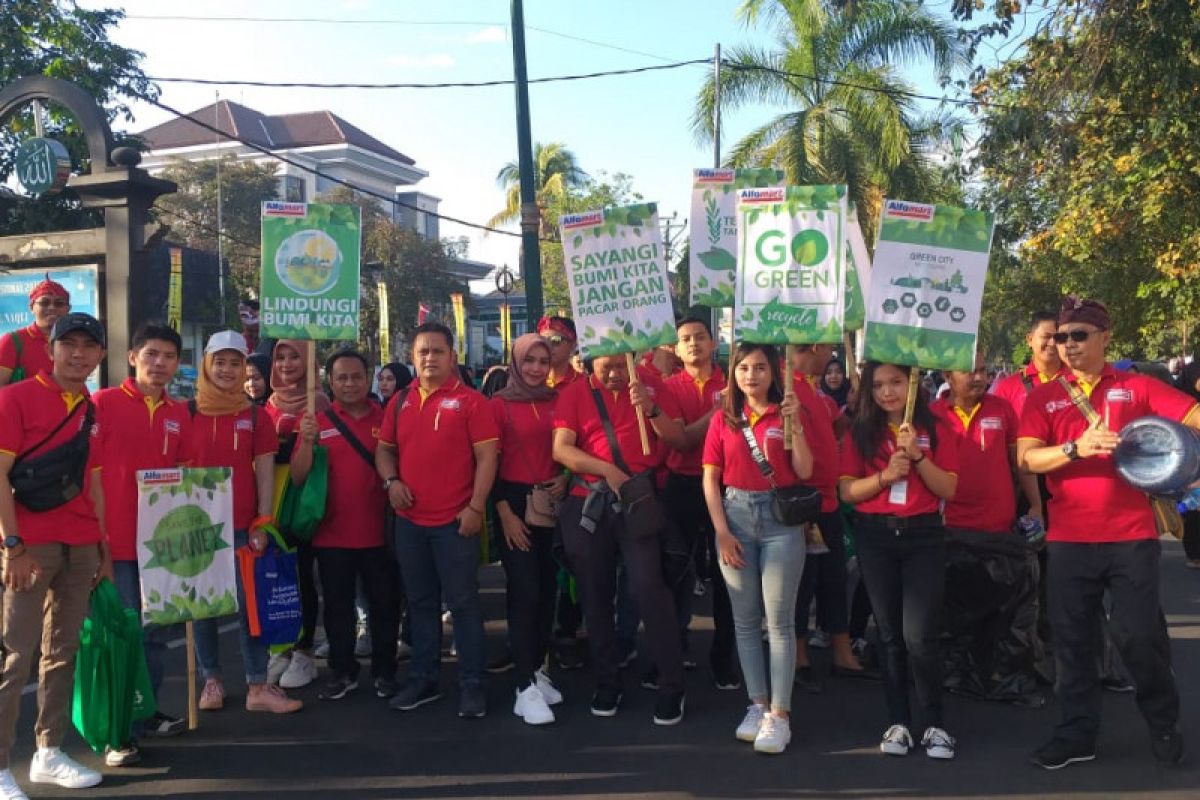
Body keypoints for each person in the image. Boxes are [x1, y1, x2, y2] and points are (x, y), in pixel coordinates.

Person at [1018, 296, 1196, 770]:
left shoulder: (1137, 386)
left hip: (1131, 537)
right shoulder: (1044, 397)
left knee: (1137, 636)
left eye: (1079, 335)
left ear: (1104, 338)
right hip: (1069, 540)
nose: (1068, 345)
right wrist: (1075, 448)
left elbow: (1193, 417)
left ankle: (1162, 719)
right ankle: (1077, 734)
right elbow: (1027, 459)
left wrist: (1182, 461)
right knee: (1074, 641)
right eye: (1060, 336)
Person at [0, 313, 108, 798]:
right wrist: (12, 546)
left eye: (89, 345)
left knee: (62, 653)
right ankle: (2, 766)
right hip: (30, 545)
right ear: (50, 348)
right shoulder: (13, 398)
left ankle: (48, 751)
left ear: (101, 355)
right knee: (14, 656)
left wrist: (103, 547)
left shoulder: (89, 405)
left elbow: (94, 483)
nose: (79, 353)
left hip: (81, 544)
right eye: (69, 344)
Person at [552, 352, 689, 725]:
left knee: (649, 589)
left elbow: (678, 440)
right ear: (589, 362)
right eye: (604, 366)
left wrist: (651, 409)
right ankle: (607, 680)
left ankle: (672, 685)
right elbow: (561, 448)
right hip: (589, 505)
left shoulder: (651, 384)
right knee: (594, 595)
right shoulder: (575, 394)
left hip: (638, 502)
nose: (613, 373)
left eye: (618, 365)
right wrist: (605, 470)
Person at [376, 322, 499, 718]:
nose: (430, 358)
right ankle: (423, 678)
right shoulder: (400, 402)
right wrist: (391, 481)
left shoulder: (472, 402)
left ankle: (473, 684)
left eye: (438, 351)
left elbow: (487, 459)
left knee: (464, 605)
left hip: (455, 523)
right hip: (410, 523)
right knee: (421, 604)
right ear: (413, 357)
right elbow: (384, 451)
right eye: (423, 352)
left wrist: (476, 507)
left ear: (453, 356)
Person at [838, 362, 959, 760]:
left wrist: (919, 459)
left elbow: (950, 488)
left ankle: (935, 723)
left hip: (924, 535)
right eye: (877, 385)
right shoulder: (860, 432)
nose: (887, 392)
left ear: (914, 383)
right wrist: (885, 477)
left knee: (920, 635)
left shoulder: (937, 427)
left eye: (895, 382)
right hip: (875, 535)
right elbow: (847, 492)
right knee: (889, 635)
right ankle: (899, 721)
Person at [701, 342, 814, 754]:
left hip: (781, 522)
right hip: (735, 517)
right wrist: (721, 531)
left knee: (779, 621)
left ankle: (780, 715)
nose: (751, 375)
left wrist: (795, 426)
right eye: (743, 367)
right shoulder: (723, 419)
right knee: (744, 621)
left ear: (774, 371)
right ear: (733, 373)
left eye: (761, 367)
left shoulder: (786, 412)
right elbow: (710, 479)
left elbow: (804, 470)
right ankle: (757, 703)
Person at [92, 322, 194, 763]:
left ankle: (144, 712)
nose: (160, 363)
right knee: (123, 634)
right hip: (112, 544)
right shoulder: (101, 404)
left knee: (156, 635)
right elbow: (85, 475)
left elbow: (187, 477)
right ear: (133, 357)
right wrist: (94, 541)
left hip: (161, 545)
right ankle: (118, 728)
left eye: (168, 356)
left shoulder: (179, 412)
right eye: (151, 354)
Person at [188, 331, 302, 715]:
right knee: (202, 606)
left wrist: (263, 521)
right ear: (206, 364)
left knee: (249, 607)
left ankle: (257, 684)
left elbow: (265, 473)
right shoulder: (185, 413)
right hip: (198, 527)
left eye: (235, 363)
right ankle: (211, 680)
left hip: (243, 526)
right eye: (219, 361)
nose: (227, 369)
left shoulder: (255, 416)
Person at [932, 354, 1041, 707]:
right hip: (950, 530)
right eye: (970, 370)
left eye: (983, 371)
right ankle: (956, 673)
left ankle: (1000, 674)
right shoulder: (930, 416)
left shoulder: (1002, 408)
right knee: (955, 612)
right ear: (948, 373)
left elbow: (1020, 463)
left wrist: (1036, 504)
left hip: (997, 528)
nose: (979, 377)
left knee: (1007, 609)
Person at [293, 349, 399, 702]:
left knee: (385, 606)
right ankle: (343, 671)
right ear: (330, 381)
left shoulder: (386, 418)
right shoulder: (316, 422)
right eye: (341, 378)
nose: (350, 384)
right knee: (337, 609)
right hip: (331, 535)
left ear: (368, 377)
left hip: (379, 534)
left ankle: (385, 672)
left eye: (356, 376)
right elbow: (297, 476)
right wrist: (306, 442)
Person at [490, 334, 567, 724]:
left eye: (543, 360)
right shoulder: (498, 406)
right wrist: (503, 512)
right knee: (525, 591)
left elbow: (571, 447)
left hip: (551, 504)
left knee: (547, 590)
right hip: (514, 504)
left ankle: (537, 668)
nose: (537, 368)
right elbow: (489, 463)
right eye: (529, 361)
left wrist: (567, 477)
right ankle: (522, 685)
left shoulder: (559, 401)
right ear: (515, 363)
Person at [659, 317, 738, 689]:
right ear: (676, 349)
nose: (693, 344)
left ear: (713, 341)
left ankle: (725, 658)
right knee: (676, 571)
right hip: (682, 485)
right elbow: (683, 440)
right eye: (685, 339)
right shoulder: (668, 387)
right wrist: (718, 413)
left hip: (727, 485)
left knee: (729, 574)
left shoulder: (735, 380)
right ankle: (675, 651)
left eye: (700, 337)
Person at [791, 345, 864, 683]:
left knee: (833, 579)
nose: (831, 357)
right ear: (815, 348)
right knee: (803, 583)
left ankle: (841, 650)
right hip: (803, 504)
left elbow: (837, 428)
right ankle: (799, 655)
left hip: (829, 501)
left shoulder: (819, 394)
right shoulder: (787, 388)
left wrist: (854, 403)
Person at [261, 340, 330, 691]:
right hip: (268, 500)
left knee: (301, 575)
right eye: (281, 357)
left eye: (294, 357)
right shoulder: (268, 402)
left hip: (300, 500)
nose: (287, 364)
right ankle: (281, 647)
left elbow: (307, 469)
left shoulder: (317, 402)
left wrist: (303, 441)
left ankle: (304, 653)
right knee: (276, 577)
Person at [0, 275, 70, 388]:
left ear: (68, 309)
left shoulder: (73, 341)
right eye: (44, 303)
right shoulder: (12, 341)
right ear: (31, 307)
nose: (52, 307)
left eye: (59, 303)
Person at [538, 316, 581, 391]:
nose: (548, 346)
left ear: (573, 345)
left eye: (555, 340)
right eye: (543, 341)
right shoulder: (531, 383)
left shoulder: (584, 385)